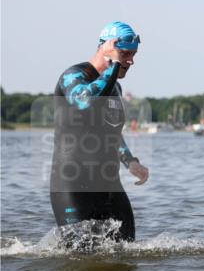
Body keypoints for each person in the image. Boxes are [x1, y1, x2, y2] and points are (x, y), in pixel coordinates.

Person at [50, 21, 150, 243]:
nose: (130, 61)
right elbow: (84, 101)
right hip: (74, 187)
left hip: (109, 185)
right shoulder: (74, 75)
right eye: (125, 53)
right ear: (106, 48)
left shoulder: (114, 86)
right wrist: (114, 65)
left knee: (125, 255)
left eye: (133, 54)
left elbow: (112, 131)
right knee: (80, 262)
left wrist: (130, 162)